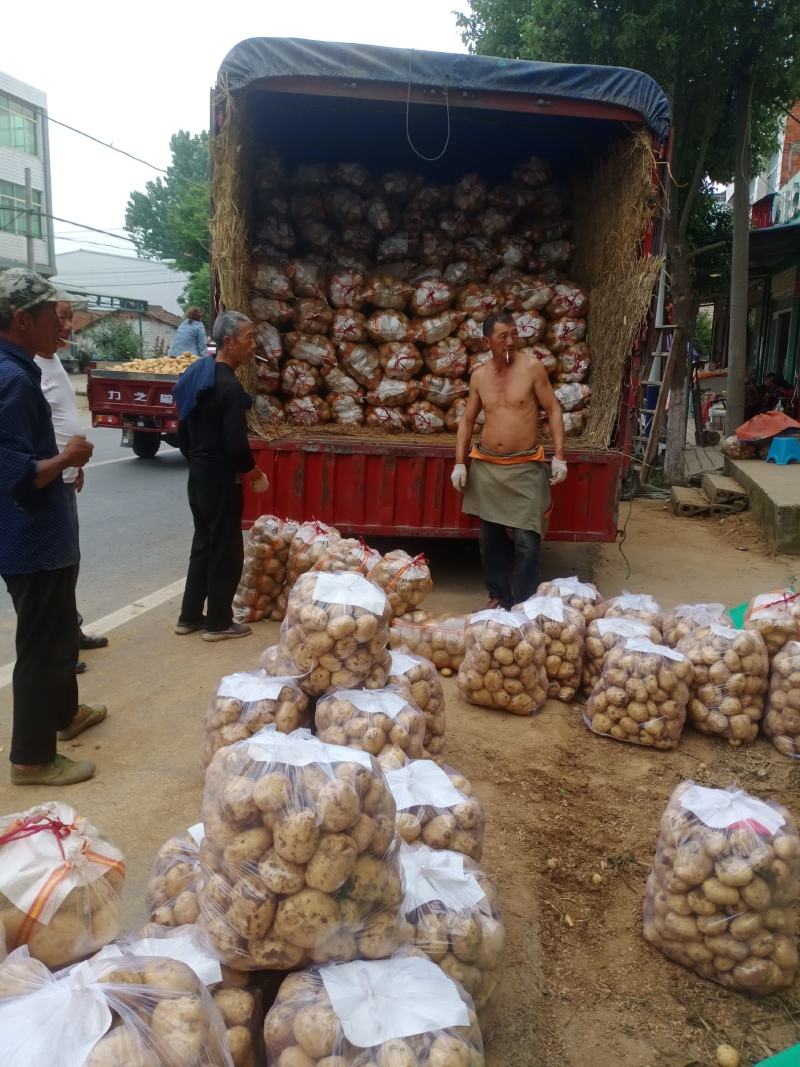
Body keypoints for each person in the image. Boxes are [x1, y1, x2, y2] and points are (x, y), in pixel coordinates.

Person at [0, 268, 108, 786]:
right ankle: (32, 758)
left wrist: (64, 461)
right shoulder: (14, 380)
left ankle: (65, 716)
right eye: (51, 316)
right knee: (41, 648)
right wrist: (66, 455)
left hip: (40, 535)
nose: (62, 324)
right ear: (22, 320)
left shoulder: (19, 366)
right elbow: (16, 475)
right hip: (31, 540)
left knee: (57, 632)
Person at [451, 310, 567, 609]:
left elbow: (553, 410)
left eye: (514, 334)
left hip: (526, 466)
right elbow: (467, 421)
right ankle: (499, 596)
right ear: (487, 340)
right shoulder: (479, 375)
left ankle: (525, 602)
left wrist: (560, 457)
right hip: (488, 468)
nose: (510, 341)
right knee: (490, 541)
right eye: (503, 336)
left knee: (528, 542)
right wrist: (460, 463)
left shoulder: (532, 369)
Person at [175, 310, 269, 641]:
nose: (252, 345)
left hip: (198, 474)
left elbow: (182, 432)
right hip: (220, 476)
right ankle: (218, 622)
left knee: (203, 541)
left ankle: (189, 617)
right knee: (226, 548)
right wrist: (252, 470)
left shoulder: (198, 375)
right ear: (229, 342)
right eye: (249, 338)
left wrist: (198, 459)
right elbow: (236, 445)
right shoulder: (228, 386)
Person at [35, 299, 109, 674]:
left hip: (64, 474)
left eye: (67, 317)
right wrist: (62, 463)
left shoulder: (53, 360)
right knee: (56, 567)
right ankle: (60, 646)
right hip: (47, 478)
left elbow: (60, 416)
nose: (69, 325)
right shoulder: (25, 367)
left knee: (71, 561)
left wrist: (74, 466)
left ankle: (70, 629)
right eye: (61, 318)